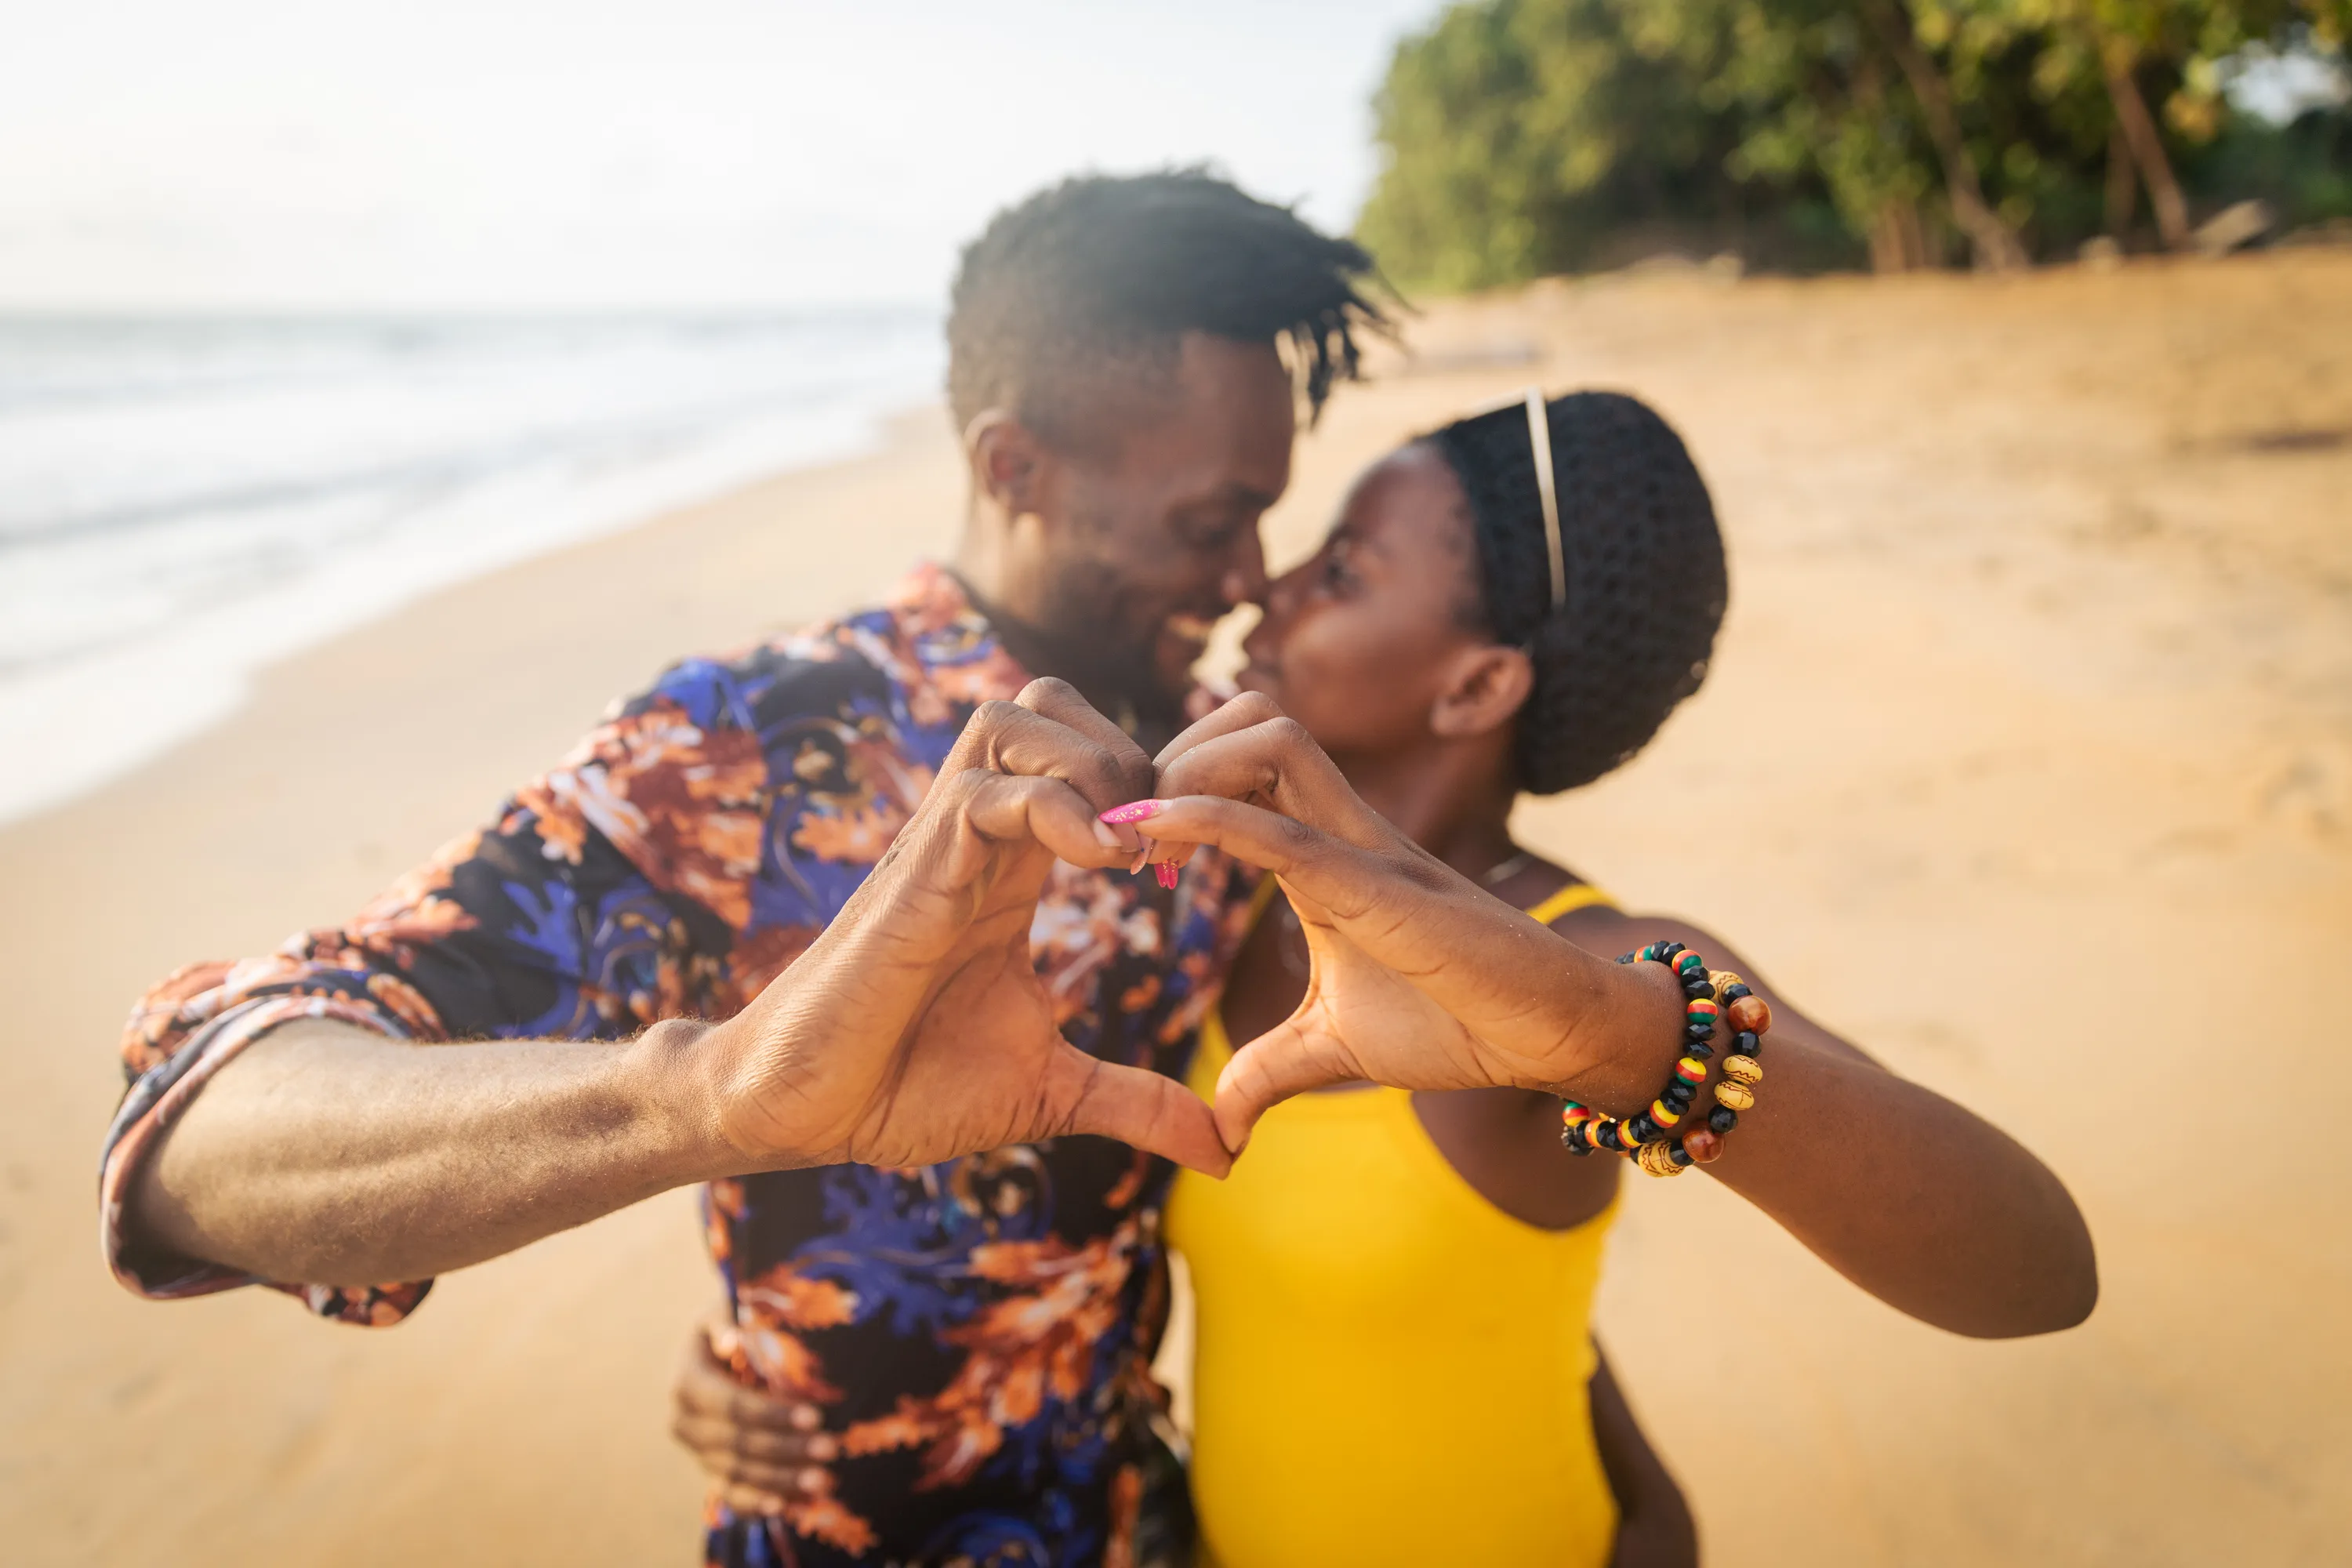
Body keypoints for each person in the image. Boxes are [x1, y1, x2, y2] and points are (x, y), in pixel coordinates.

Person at [100, 171, 1392, 1566]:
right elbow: (198, 1132)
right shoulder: (753, 740)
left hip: (1139, 1520)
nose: (1256, 572)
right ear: (1015, 469)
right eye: (1211, 522)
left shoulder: (1200, 747)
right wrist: (702, 1102)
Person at [670, 392, 2097, 1566]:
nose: (1270, 584)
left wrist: (1615, 1038)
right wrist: (766, 1372)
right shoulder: (1211, 917)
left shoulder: (1585, 954)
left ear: (1475, 688)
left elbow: (2034, 1267)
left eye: (1342, 571)